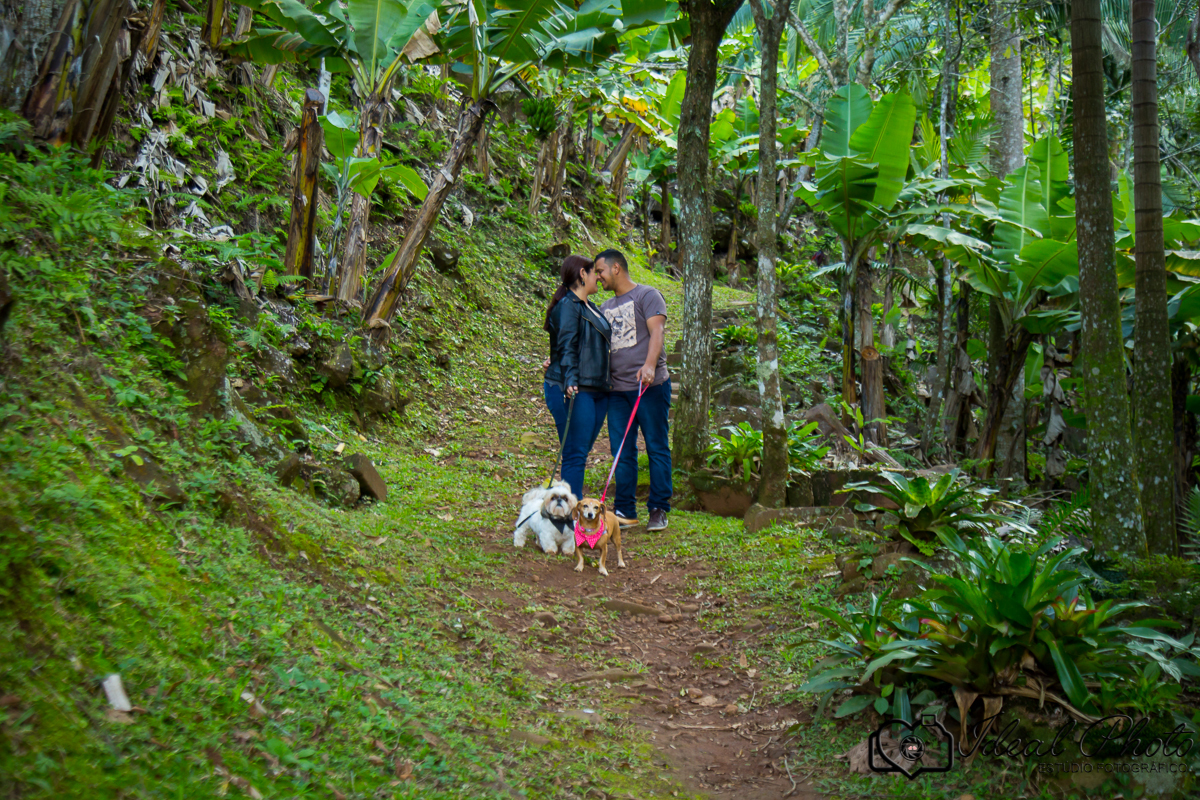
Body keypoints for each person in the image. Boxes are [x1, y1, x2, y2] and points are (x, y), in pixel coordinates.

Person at [594, 249, 672, 532]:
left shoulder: (647, 295)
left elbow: (657, 332)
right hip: (617, 392)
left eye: (600, 271)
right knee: (621, 451)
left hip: (649, 387)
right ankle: (625, 510)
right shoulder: (604, 307)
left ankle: (658, 509)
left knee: (656, 446)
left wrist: (649, 365)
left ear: (616, 268)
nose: (598, 277)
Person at [543, 255, 612, 501]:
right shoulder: (568, 306)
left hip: (597, 389)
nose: (599, 277)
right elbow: (567, 346)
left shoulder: (590, 307)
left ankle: (568, 507)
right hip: (574, 389)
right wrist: (570, 380)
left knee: (579, 451)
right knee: (574, 452)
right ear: (583, 274)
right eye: (595, 272)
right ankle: (570, 513)